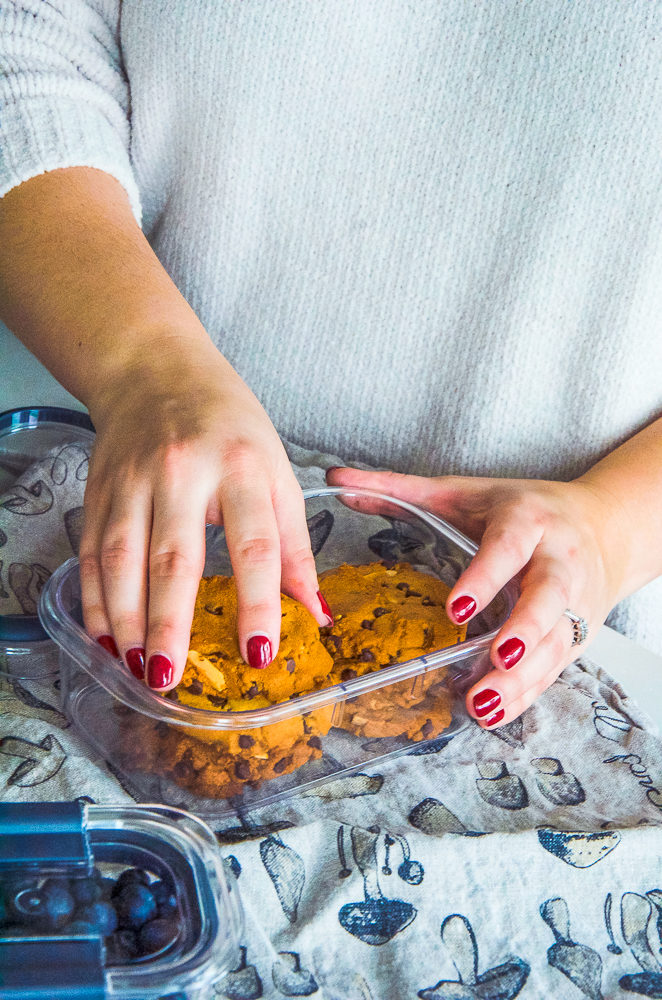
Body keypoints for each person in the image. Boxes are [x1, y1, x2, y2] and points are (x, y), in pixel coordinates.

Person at [1, 3, 661, 732]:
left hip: (566, 624)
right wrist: (149, 366)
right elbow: (27, 41)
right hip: (128, 524)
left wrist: (613, 528)